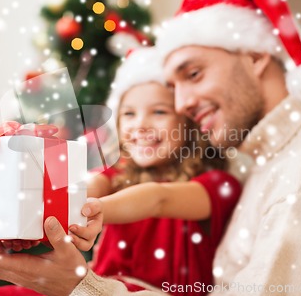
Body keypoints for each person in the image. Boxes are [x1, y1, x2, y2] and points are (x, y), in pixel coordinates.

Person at [0, 0, 301, 295]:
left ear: (256, 57)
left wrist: (82, 287)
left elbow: (155, 200)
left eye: (194, 73)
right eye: (172, 88)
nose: (182, 104)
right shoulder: (268, 162)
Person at [82, 47, 241, 294]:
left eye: (159, 112)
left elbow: (158, 198)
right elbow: (92, 186)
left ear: (188, 123)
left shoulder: (218, 185)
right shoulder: (119, 174)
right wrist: (67, 202)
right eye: (129, 114)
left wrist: (94, 210)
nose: (140, 125)